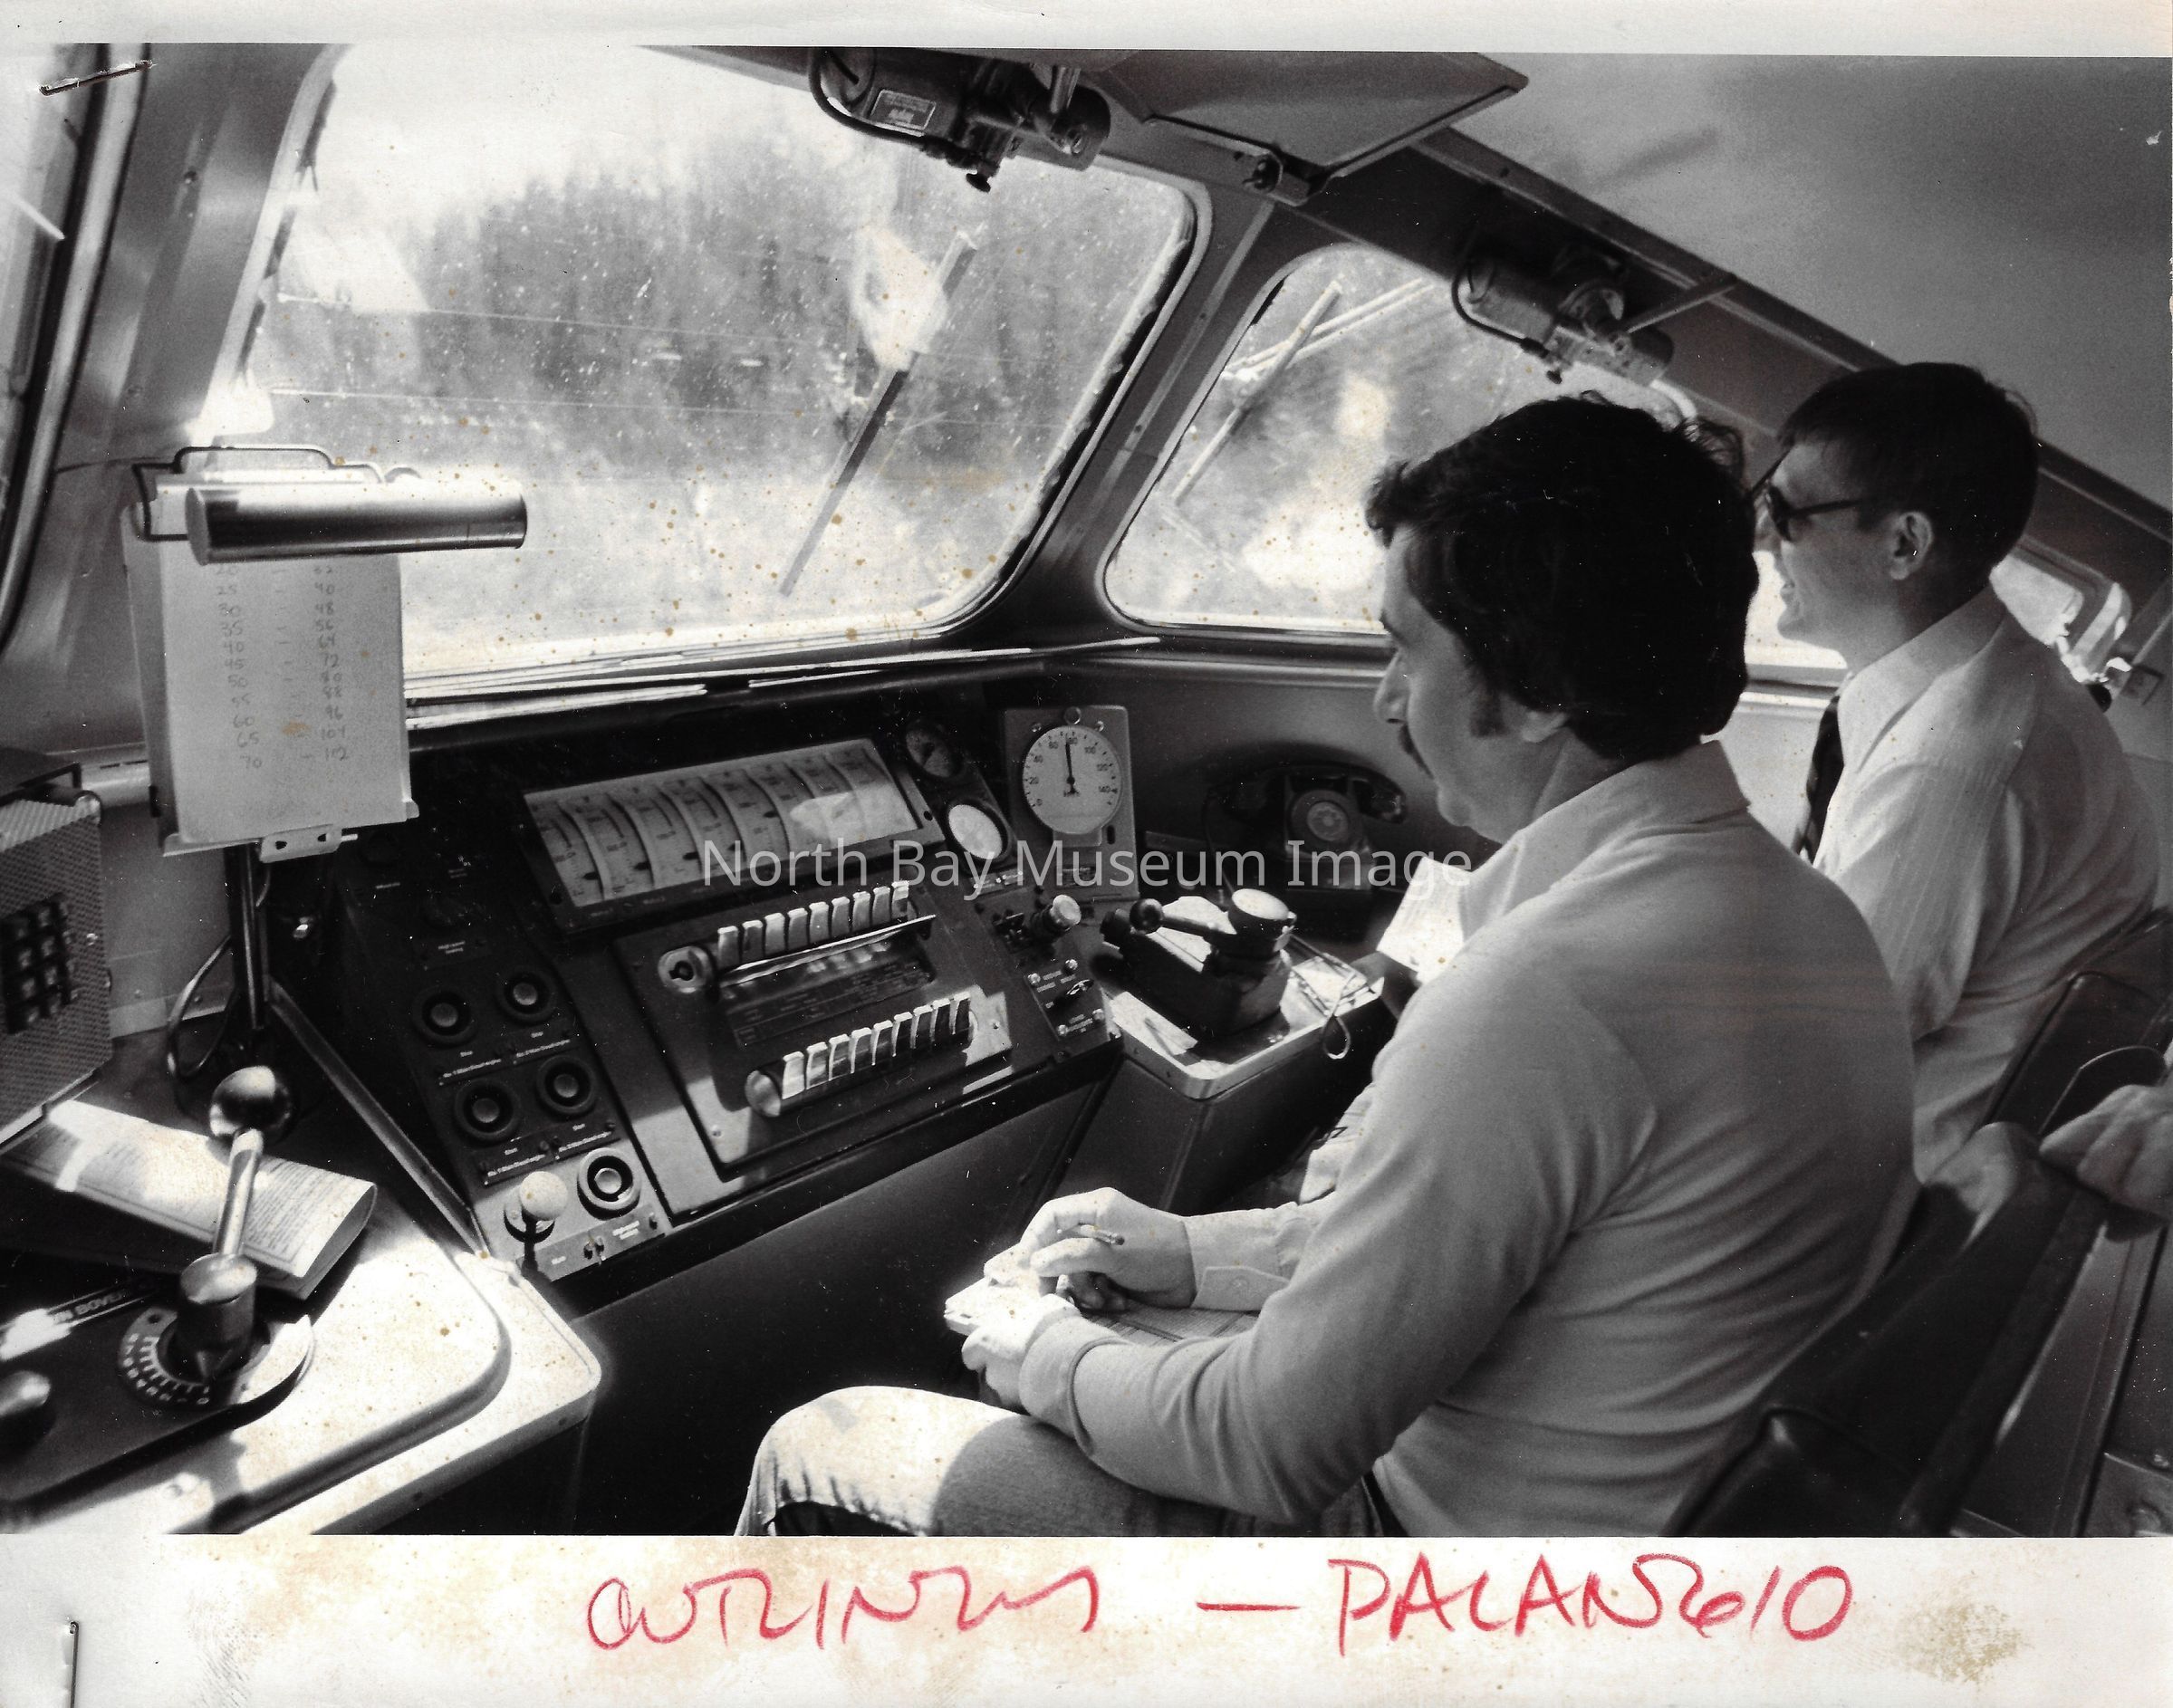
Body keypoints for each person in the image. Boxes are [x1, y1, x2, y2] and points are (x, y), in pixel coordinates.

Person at [736, 398, 1915, 1539]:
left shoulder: (1544, 995)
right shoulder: (1811, 920)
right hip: (1644, 1563)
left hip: (1429, 1587)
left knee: (821, 1446)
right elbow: (1459, 1250)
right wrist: (1187, 1250)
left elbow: (1263, 1447)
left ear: (1540, 693)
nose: (1384, 698)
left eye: (1404, 648)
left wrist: (1042, 1351)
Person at [1761, 363, 2159, 1180]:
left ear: (1903, 544)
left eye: (1787, 513)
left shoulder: (1953, 765)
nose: (1765, 538)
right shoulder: (1982, 688)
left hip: (1861, 1196)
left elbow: (1807, 1046)